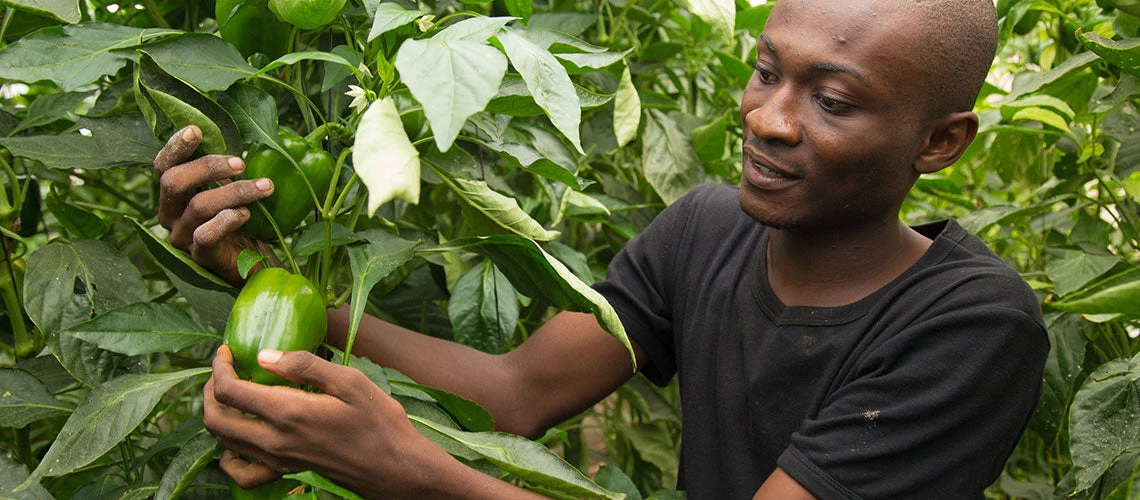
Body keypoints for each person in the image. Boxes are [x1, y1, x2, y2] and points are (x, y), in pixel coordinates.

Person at [154, 0, 1050, 497]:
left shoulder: (971, 323)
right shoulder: (708, 227)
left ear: (940, 143)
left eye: (834, 101)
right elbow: (515, 394)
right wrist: (274, 283)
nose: (767, 119)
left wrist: (407, 471)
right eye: (768, 72)